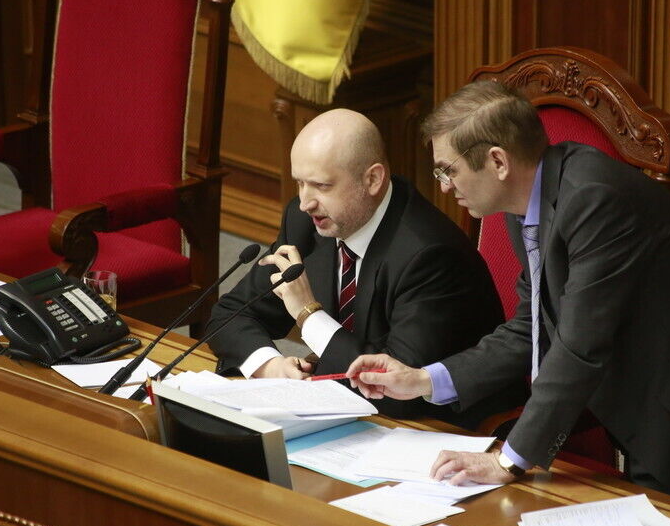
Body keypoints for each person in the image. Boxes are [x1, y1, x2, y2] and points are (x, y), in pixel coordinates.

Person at [347, 81, 670, 521]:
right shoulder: (522, 205)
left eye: (448, 170)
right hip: (659, 390)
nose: (444, 186)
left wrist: (508, 460)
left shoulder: (594, 200)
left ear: (498, 161)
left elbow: (579, 346)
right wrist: (423, 379)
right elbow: (531, 327)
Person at [207, 108, 519, 422]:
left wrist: (309, 316)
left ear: (372, 179)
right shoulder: (306, 223)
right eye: (300, 183)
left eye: (322, 186)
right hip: (345, 412)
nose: (305, 202)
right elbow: (228, 316)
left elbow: (398, 393)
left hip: (440, 429)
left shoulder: (430, 254)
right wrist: (271, 366)